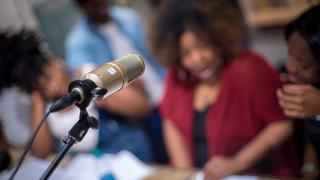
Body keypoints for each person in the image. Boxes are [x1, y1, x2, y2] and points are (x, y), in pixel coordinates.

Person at [149, 0, 298, 178]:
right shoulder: (178, 78)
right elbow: (170, 120)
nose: (197, 59)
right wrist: (186, 174)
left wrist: (237, 162)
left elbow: (282, 123)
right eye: (185, 53)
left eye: (202, 46)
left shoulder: (250, 68)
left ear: (218, 39)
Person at [66, 0, 166, 162]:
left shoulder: (128, 17)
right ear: (81, 5)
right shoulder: (78, 42)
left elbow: (154, 55)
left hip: (166, 92)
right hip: (141, 116)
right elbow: (91, 86)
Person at [0, 30, 98, 158]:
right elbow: (41, 152)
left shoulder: (87, 74)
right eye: (42, 88)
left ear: (54, 62)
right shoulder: (50, 113)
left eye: (50, 77)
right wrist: (37, 99)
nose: (54, 88)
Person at [276, 5, 320, 179]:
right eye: (289, 54)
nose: (290, 67)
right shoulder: (307, 86)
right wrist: (309, 170)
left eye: (304, 64)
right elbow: (314, 136)